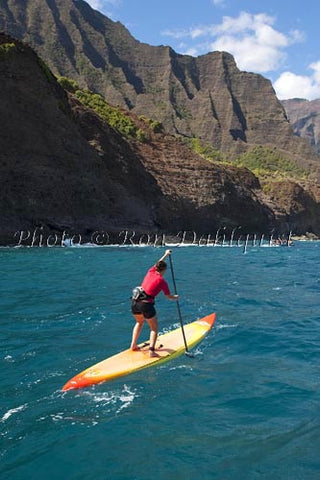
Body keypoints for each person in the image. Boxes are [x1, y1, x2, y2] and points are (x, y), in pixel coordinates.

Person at [130, 249, 178, 357]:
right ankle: (151, 351)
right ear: (163, 270)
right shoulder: (161, 281)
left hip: (135, 302)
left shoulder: (151, 271)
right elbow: (168, 296)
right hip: (146, 305)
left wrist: (165, 254)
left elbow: (158, 262)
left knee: (139, 322)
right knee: (154, 328)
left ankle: (133, 345)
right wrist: (175, 297)